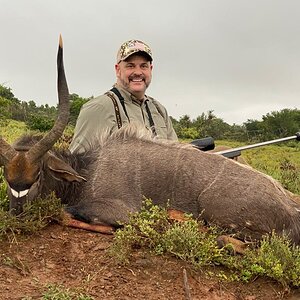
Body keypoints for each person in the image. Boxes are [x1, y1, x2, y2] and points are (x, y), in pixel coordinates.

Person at [69, 39, 178, 153]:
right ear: (118, 70)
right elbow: (78, 165)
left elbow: (176, 158)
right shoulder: (99, 107)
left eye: (143, 66)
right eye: (130, 66)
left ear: (150, 69)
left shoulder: (159, 110)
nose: (138, 72)